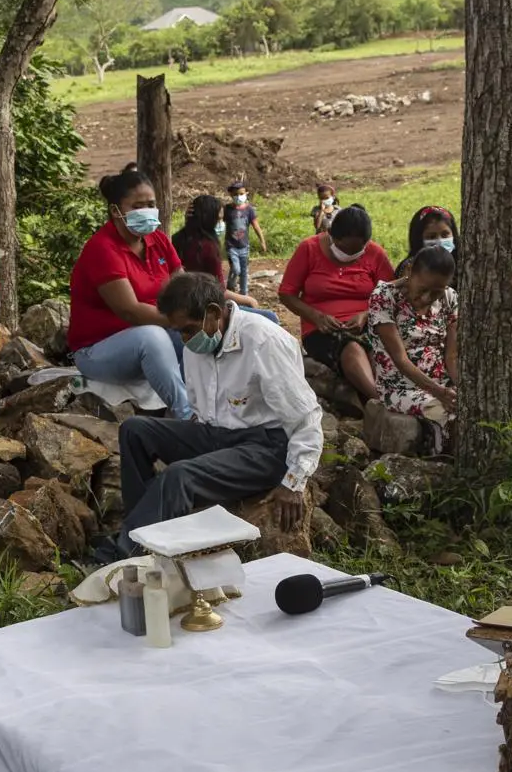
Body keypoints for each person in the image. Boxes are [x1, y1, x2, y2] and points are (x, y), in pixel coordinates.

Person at [96, 271, 321, 560]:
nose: (184, 338)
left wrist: (294, 482)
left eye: (187, 330)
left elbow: (306, 417)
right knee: (134, 429)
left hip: (267, 448)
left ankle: (128, 556)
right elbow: (202, 413)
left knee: (179, 476)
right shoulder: (198, 344)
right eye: (178, 331)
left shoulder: (263, 341)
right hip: (218, 435)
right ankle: (140, 527)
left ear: (214, 313)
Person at [66, 164, 190, 419]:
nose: (146, 211)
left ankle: (220, 408)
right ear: (115, 211)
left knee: (209, 331)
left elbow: (184, 287)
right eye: (137, 206)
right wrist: (182, 319)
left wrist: (209, 312)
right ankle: (187, 416)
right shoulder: (103, 248)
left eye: (151, 203)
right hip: (98, 351)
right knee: (154, 337)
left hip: (153, 332)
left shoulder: (159, 240)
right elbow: (130, 311)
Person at [279, 205, 396, 402]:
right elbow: (286, 294)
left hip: (367, 322)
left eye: (358, 250)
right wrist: (316, 317)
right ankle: (378, 400)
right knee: (351, 348)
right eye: (345, 249)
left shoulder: (375, 253)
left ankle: (390, 394)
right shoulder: (309, 248)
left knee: (379, 347)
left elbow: (390, 292)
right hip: (321, 328)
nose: (351, 255)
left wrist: (367, 314)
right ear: (333, 236)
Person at [367, 244, 459, 441]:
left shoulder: (450, 298)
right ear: (409, 271)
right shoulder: (384, 297)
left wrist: (459, 387)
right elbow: (400, 359)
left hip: (441, 384)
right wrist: (438, 392)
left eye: (436, 292)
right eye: (423, 289)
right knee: (444, 414)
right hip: (401, 387)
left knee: (466, 409)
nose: (427, 298)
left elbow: (452, 356)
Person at [221, 179, 268, 296]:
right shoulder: (227, 209)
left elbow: (256, 226)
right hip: (231, 246)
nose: (238, 197)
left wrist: (262, 241)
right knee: (236, 269)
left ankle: (244, 294)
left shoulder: (249, 210)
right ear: (231, 195)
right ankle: (230, 288)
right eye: (235, 194)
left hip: (244, 246)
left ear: (246, 193)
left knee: (244, 272)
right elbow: (219, 223)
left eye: (241, 194)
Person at [407, 204, 458, 272]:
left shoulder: (464, 262)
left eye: (445, 234)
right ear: (419, 239)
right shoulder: (410, 269)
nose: (440, 241)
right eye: (431, 237)